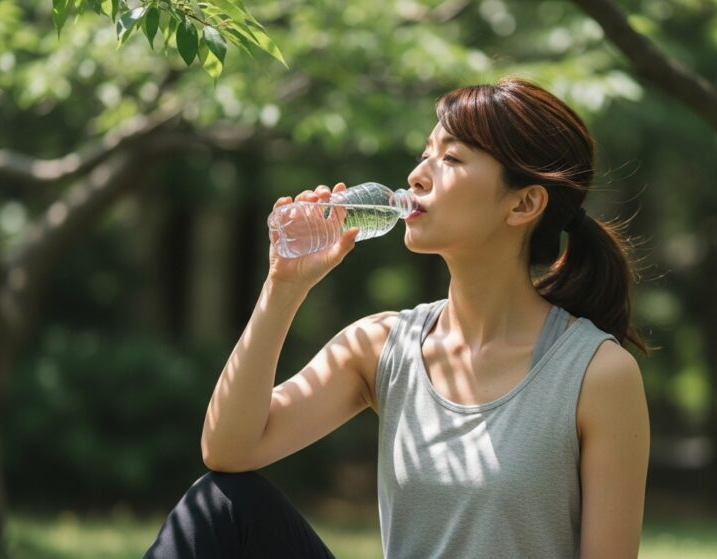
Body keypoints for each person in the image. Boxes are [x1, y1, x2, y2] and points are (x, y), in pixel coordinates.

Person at [144, 77, 651, 559]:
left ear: (523, 204)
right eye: (424, 154)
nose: (417, 175)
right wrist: (284, 287)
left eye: (451, 157)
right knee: (221, 505)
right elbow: (228, 450)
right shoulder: (382, 345)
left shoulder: (596, 375)